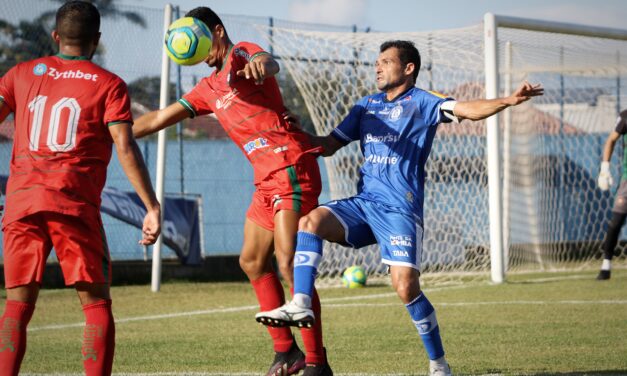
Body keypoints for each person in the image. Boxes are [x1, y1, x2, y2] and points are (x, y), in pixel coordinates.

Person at [256, 40, 543, 376]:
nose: (377, 67)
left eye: (386, 61)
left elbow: (467, 108)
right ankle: (301, 303)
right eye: (376, 62)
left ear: (408, 69)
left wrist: (509, 100)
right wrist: (297, 135)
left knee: (406, 286)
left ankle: (438, 364)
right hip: (365, 205)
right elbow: (330, 145)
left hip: (399, 210)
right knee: (311, 221)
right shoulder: (366, 106)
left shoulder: (424, 102)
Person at [131, 7, 330, 376]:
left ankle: (318, 362)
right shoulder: (206, 88)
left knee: (288, 263)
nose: (200, 52)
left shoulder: (240, 55)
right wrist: (113, 128)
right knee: (252, 261)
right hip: (265, 180)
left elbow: (267, 61)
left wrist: (261, 64)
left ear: (217, 32)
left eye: (203, 41)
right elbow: (158, 118)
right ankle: (286, 353)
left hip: (290, 168)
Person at [0, 2, 161, 375]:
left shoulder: (21, 74)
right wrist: (150, 205)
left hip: (23, 202)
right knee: (96, 306)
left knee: (16, 306)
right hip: (73, 204)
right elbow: (125, 144)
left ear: (56, 36)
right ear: (98, 40)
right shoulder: (109, 85)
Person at [595, 109, 627, 280]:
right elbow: (611, 140)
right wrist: (604, 169)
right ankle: (606, 265)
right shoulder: (625, 116)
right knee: (615, 223)